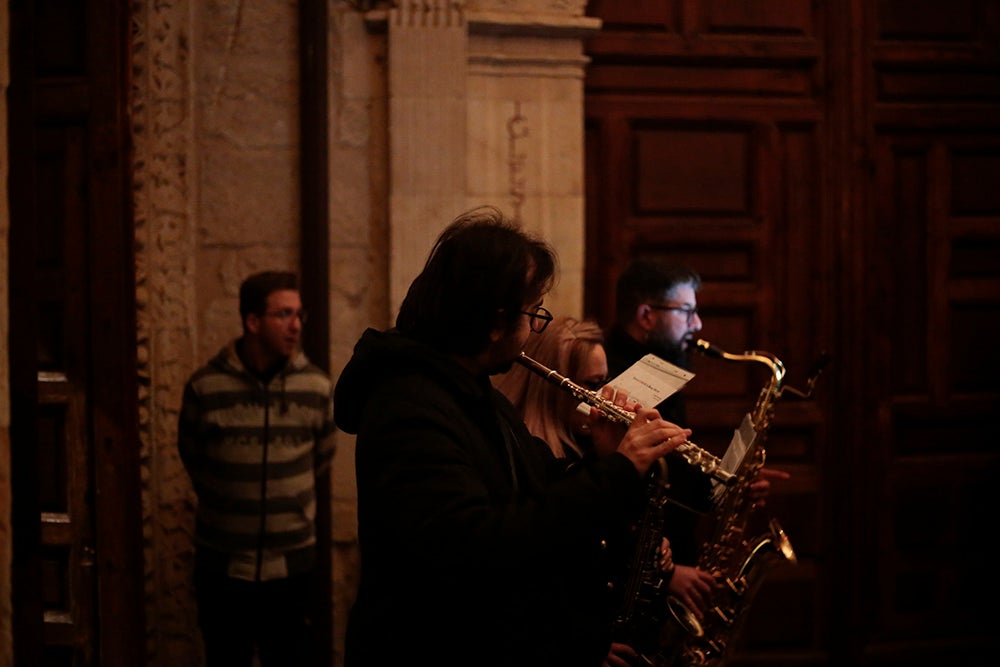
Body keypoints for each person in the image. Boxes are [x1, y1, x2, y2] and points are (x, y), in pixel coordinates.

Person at [334, 206, 692, 667]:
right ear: (496, 322)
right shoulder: (411, 408)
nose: (532, 330)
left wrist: (603, 458)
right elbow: (482, 548)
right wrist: (618, 473)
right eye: (532, 314)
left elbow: (538, 493)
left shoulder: (474, 394)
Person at [604, 258, 788, 617]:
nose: (698, 324)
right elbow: (620, 492)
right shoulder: (618, 380)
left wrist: (728, 485)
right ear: (646, 315)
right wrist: (665, 572)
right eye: (687, 311)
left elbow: (671, 467)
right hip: (636, 580)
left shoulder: (660, 365)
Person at [494, 315, 680, 667]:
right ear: (557, 386)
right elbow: (538, 572)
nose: (604, 395)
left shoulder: (585, 441)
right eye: (593, 384)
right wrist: (582, 643)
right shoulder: (530, 456)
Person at [178, 270, 336, 667]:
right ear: (252, 321)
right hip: (224, 570)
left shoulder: (315, 388)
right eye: (283, 314)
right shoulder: (206, 387)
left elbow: (322, 457)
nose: (296, 326)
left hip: (292, 570)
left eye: (299, 315)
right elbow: (193, 457)